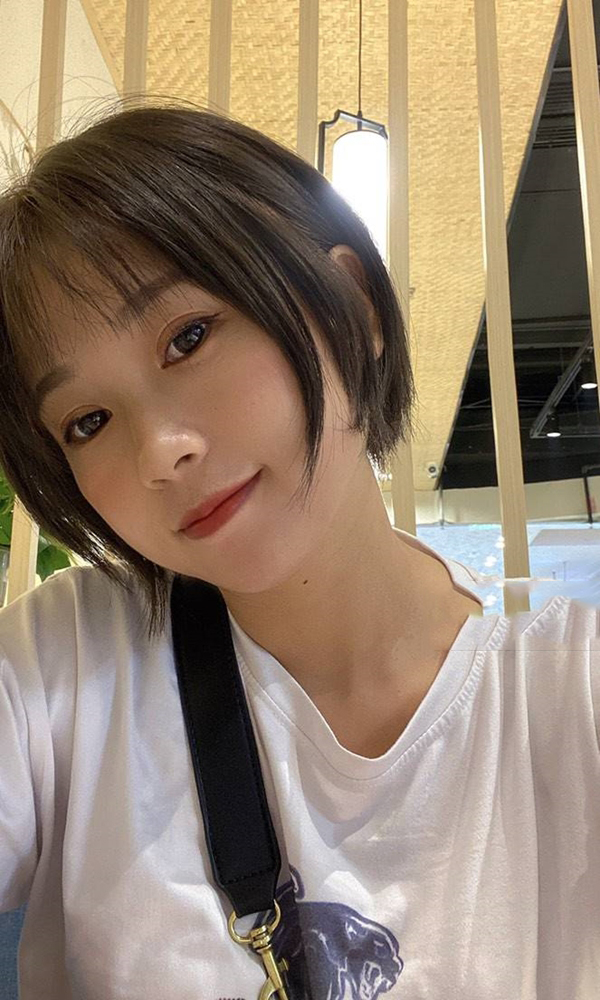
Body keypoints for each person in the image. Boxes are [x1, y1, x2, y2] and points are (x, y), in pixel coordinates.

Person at [0, 101, 598, 1000]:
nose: (159, 452)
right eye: (87, 421)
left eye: (188, 338)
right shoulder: (66, 665)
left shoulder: (568, 695)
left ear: (352, 307)